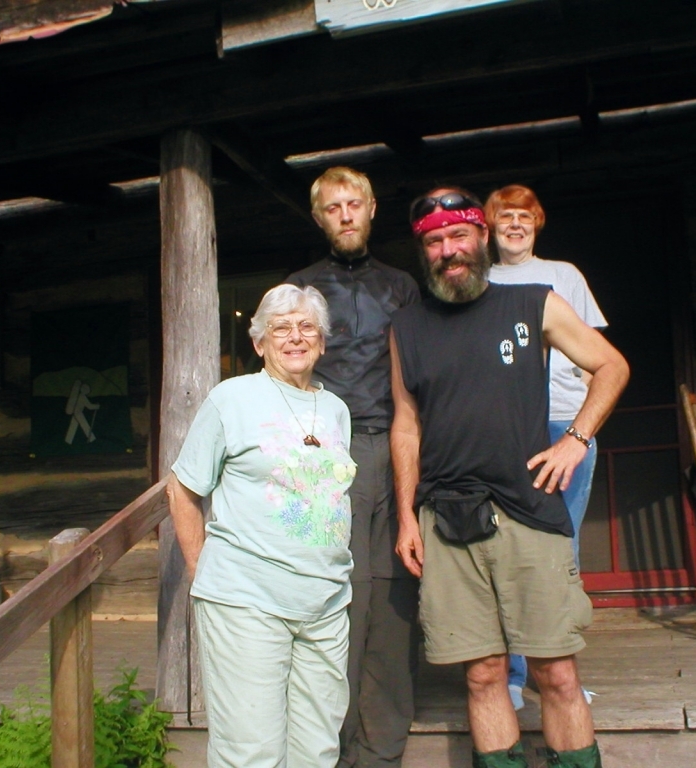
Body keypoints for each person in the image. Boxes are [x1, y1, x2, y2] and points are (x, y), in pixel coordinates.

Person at [390, 189, 629, 768]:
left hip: (528, 510)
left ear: (482, 237)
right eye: (435, 241)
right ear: (424, 250)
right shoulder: (406, 327)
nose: (449, 250)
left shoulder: (534, 302)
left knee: (556, 671)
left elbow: (611, 365)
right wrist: (405, 517)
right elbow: (406, 427)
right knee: (482, 673)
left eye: (459, 235)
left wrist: (576, 439)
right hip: (446, 522)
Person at [167, 284, 357, 768]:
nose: (295, 337)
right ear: (259, 343)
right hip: (246, 598)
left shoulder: (335, 409)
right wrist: (201, 571)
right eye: (280, 328)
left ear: (321, 340)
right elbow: (183, 489)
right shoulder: (231, 398)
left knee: (317, 750)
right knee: (252, 752)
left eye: (306, 326)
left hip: (327, 601)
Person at [287, 166, 421, 768]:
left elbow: (422, 378)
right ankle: (331, 748)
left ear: (371, 210)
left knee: (392, 599)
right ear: (319, 219)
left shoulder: (402, 287)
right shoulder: (300, 290)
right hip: (324, 454)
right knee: (337, 598)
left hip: (391, 445)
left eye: (354, 204)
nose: (345, 215)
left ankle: (382, 750)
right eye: (332, 207)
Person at [485, 184, 608, 711]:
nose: (515, 225)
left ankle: (555, 673)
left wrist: (580, 421)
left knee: (562, 550)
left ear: (537, 225)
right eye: (506, 216)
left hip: (563, 425)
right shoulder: (480, 280)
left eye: (525, 217)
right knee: (507, 550)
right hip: (503, 427)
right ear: (489, 226)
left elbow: (595, 351)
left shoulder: (564, 275)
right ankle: (512, 673)